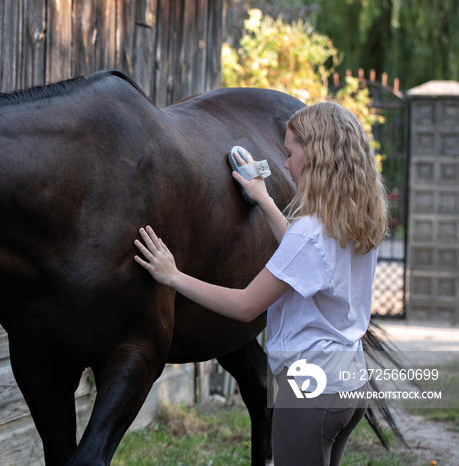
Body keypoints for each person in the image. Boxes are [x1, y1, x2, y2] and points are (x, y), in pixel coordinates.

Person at [133, 101, 388, 466]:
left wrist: (173, 276)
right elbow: (307, 259)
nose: (285, 164)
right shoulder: (355, 221)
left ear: (316, 155)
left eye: (289, 153)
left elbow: (246, 306)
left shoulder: (311, 232)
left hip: (311, 394)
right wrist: (265, 200)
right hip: (349, 385)